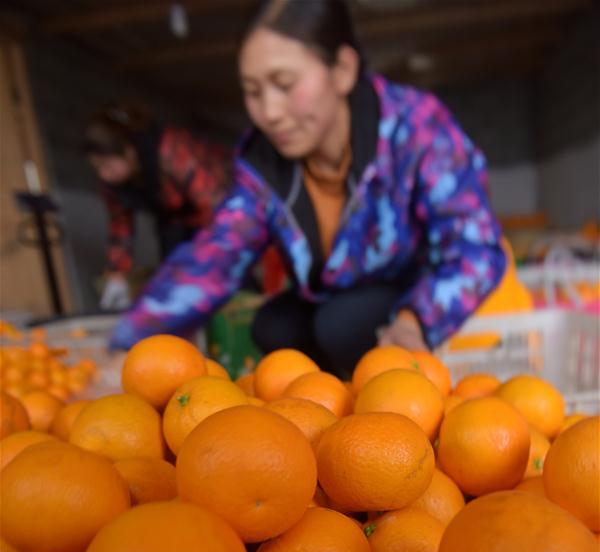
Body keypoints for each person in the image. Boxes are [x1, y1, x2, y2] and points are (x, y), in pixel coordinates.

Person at [109, 0, 508, 375]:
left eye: (284, 84)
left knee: (341, 325)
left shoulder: (415, 127)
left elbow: (476, 249)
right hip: (334, 299)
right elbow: (215, 255)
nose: (270, 113)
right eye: (252, 91)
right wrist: (128, 343)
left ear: (342, 70)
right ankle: (324, 409)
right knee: (272, 327)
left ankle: (376, 412)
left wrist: (416, 321)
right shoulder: (263, 165)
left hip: (403, 295)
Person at [83, 102, 230, 310]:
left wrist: (211, 251)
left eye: (107, 165)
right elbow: (120, 225)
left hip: (211, 217)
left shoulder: (171, 151)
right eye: (97, 168)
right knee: (175, 284)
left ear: (129, 151)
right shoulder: (114, 184)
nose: (103, 174)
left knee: (220, 278)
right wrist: (117, 272)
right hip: (172, 222)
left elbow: (216, 204)